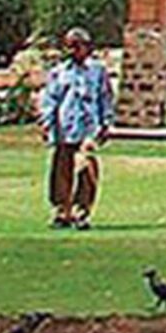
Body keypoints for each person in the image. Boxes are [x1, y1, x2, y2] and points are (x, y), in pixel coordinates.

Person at [36, 28, 114, 229]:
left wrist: (106, 123)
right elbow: (50, 100)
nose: (72, 50)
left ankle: (82, 211)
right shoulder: (59, 72)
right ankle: (62, 211)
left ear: (87, 48)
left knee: (86, 167)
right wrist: (47, 124)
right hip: (65, 128)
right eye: (69, 46)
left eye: (77, 46)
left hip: (88, 128)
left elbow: (105, 98)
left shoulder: (97, 71)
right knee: (61, 171)